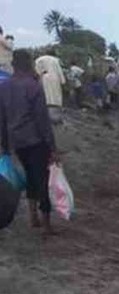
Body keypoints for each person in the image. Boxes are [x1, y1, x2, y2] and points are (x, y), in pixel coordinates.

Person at [0, 49, 58, 233]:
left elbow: (2, 118)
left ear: (14, 64)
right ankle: (46, 224)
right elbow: (42, 120)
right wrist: (52, 146)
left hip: (16, 142)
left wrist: (5, 145)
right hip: (35, 140)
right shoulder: (33, 86)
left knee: (30, 177)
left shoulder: (4, 86)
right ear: (29, 63)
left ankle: (33, 217)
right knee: (42, 179)